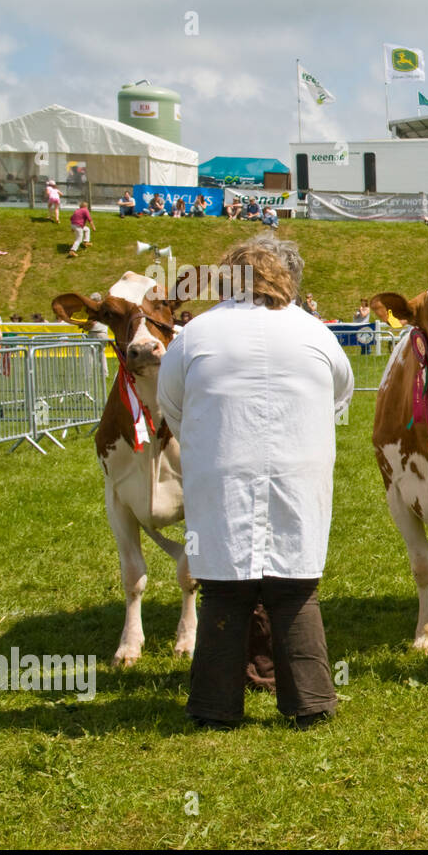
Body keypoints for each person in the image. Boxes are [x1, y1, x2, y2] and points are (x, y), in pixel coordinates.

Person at [157, 234, 354, 729]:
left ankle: (214, 706)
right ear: (287, 277)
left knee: (224, 590)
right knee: (295, 589)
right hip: (298, 470)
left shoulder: (196, 333)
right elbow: (340, 396)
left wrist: (211, 439)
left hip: (222, 470)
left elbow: (173, 405)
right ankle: (310, 703)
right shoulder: (316, 333)